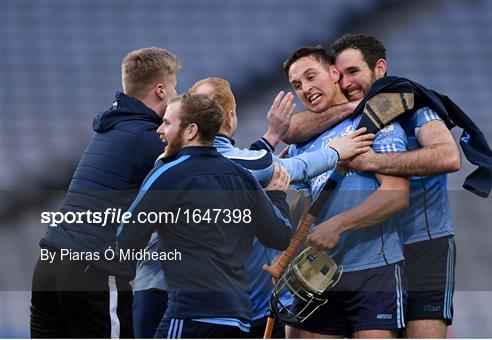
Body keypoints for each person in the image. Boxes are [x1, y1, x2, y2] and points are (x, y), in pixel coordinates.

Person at [132, 76, 373, 338]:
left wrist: (269, 140)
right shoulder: (240, 166)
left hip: (158, 289)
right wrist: (335, 151)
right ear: (228, 118)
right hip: (201, 305)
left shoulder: (168, 160)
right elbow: (291, 168)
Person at [284, 34, 461, 338]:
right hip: (369, 245)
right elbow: (291, 130)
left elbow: (448, 156)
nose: (347, 83)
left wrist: (372, 162)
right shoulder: (349, 116)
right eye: (341, 75)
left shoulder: (413, 107)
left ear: (380, 69)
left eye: (355, 72)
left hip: (421, 241)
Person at [30, 47, 180, 338]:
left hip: (48, 267)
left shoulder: (111, 128)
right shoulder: (146, 138)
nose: (177, 92)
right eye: (175, 86)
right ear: (161, 90)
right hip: (93, 272)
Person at [116, 92, 294, 338]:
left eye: (167, 123)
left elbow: (126, 237)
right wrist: (276, 196)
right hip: (238, 318)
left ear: (190, 131)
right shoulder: (242, 176)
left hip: (192, 313)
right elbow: (280, 236)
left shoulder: (168, 173)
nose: (159, 130)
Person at [284, 45, 410, 338]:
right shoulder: (303, 141)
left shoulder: (373, 121)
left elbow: (396, 193)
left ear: (333, 72)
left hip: (373, 271)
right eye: (297, 85)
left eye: (311, 76)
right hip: (317, 272)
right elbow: (299, 208)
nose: (305, 88)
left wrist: (338, 225)